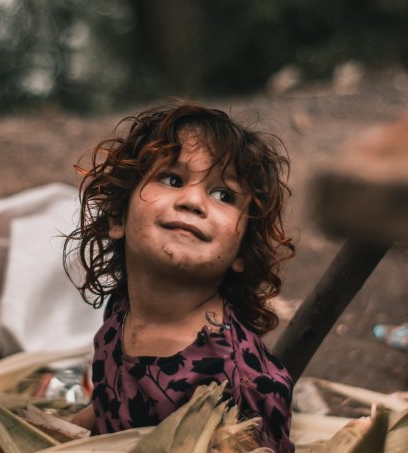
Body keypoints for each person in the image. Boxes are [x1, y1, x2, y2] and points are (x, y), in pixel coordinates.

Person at [64, 101, 296, 452]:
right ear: (118, 219)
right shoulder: (121, 311)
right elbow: (111, 404)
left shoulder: (235, 378)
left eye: (223, 195)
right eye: (172, 179)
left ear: (241, 252)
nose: (192, 200)